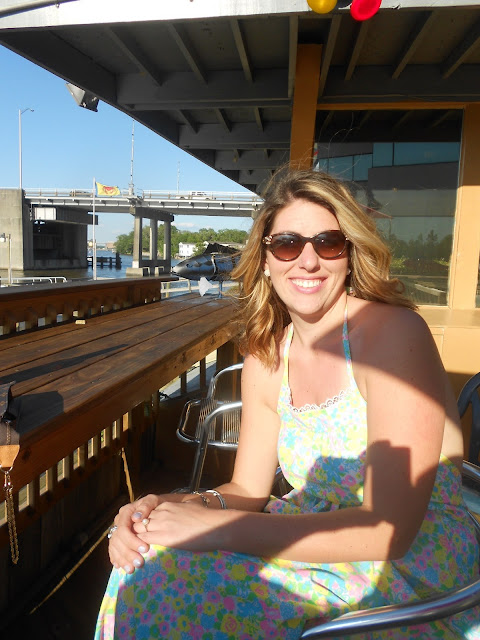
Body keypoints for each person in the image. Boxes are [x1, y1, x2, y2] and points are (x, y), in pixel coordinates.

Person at [95, 169, 479, 639]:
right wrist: (169, 508)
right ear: (264, 259)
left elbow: (389, 531)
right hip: (311, 535)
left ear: (350, 254)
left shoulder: (393, 336)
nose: (308, 261)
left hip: (409, 567)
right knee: (143, 563)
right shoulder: (267, 357)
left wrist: (212, 529)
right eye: (288, 244)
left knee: (166, 587)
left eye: (328, 243)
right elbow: (247, 488)